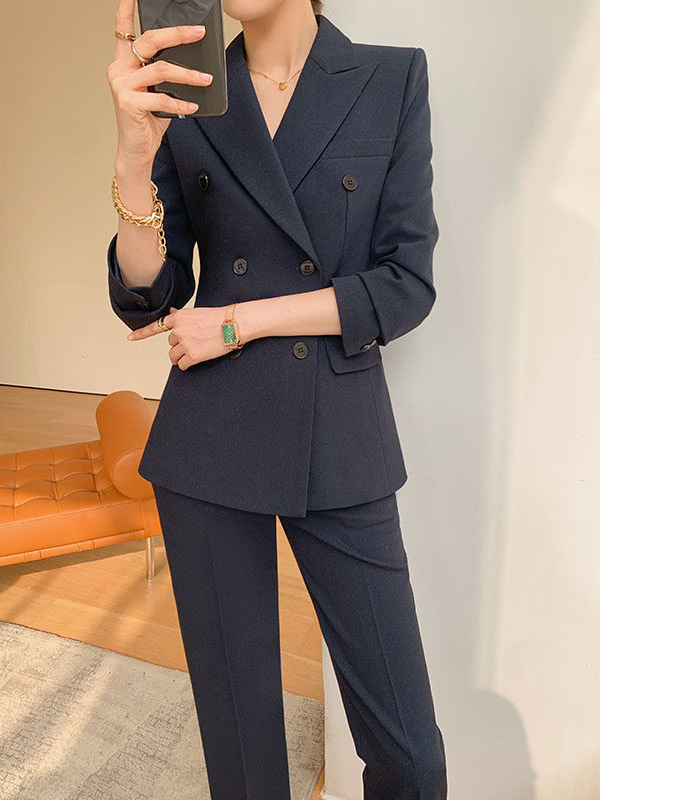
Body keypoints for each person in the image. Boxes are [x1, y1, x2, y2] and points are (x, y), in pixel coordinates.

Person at [106, 1, 447, 798]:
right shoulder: (189, 96)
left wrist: (241, 322)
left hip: (341, 431)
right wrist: (132, 153)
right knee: (243, 758)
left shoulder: (391, 77)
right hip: (209, 442)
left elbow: (406, 284)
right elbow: (150, 293)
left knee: (409, 757)